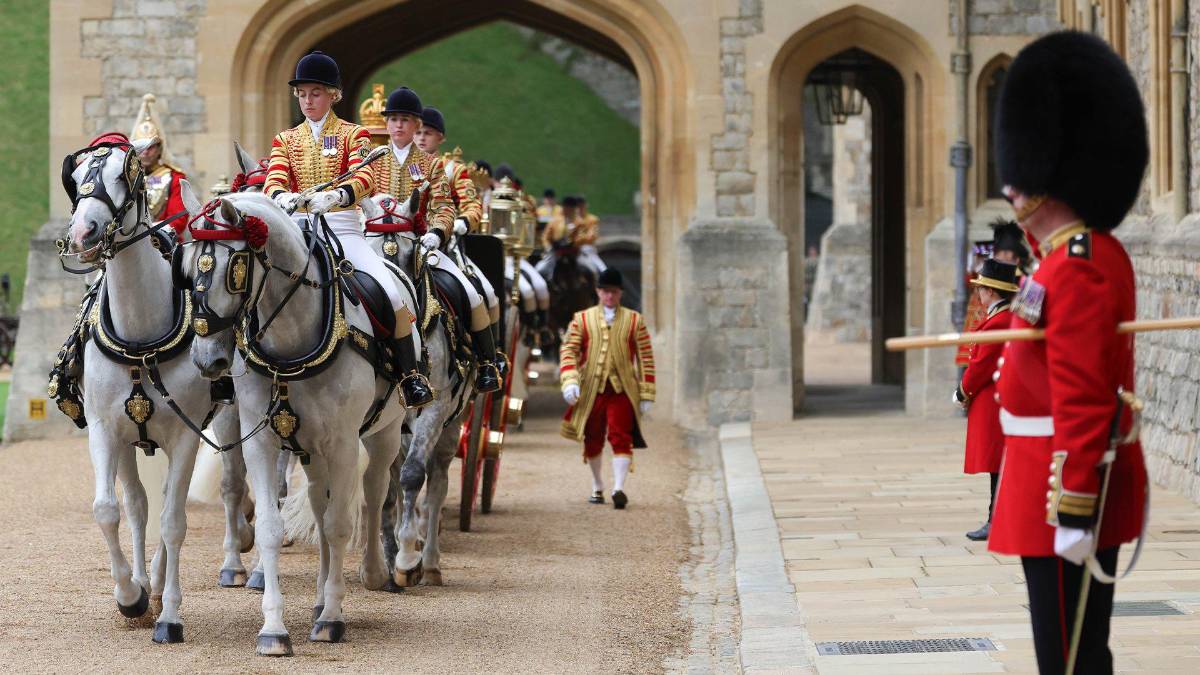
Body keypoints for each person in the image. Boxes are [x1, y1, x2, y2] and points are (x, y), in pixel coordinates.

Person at [990, 32, 1148, 674]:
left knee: (1070, 658)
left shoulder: (1076, 267)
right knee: (1074, 652)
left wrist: (1076, 503)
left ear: (1049, 173)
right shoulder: (1065, 260)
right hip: (1046, 477)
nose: (1010, 188)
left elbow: (1082, 394)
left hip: (1063, 483)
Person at [263, 51, 433, 407]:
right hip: (297, 228)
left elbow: (365, 176)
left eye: (316, 93)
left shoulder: (353, 134)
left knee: (391, 291)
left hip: (343, 228)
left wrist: (339, 195)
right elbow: (274, 178)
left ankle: (409, 374)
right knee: (251, 284)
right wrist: (281, 197)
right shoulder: (285, 139)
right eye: (303, 94)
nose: (308, 100)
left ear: (333, 95)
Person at [372, 88, 500, 393]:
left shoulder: (431, 165)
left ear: (416, 124)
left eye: (405, 120)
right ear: (386, 124)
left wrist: (438, 231)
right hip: (375, 242)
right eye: (393, 120)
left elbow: (443, 204)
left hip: (421, 244)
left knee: (470, 292)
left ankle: (487, 362)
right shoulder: (372, 158)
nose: (399, 126)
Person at [559, 268, 654, 509]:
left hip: (622, 390)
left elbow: (646, 357)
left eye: (613, 292)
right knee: (593, 437)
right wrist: (570, 379)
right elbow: (569, 350)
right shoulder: (582, 318)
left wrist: (646, 392)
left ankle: (619, 488)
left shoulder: (635, 320)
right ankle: (597, 484)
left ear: (620, 293)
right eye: (605, 291)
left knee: (621, 435)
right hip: (592, 388)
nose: (609, 296)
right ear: (598, 292)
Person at [413, 107, 503, 341]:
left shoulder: (454, 170)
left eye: (428, 133)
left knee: (486, 295)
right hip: (404, 241)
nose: (422, 137)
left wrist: (463, 221)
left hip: (444, 246)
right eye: (419, 132)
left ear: (441, 137)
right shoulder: (401, 165)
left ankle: (488, 360)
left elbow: (472, 205)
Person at [954, 258, 1018, 541]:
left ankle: (997, 521)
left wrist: (961, 391)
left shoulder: (998, 322)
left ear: (990, 291)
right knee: (998, 466)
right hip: (996, 399)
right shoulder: (1001, 318)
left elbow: (980, 366)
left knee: (997, 465)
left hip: (994, 401)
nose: (978, 294)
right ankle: (997, 518)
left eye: (981, 289)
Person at [129, 93, 189, 235]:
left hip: (162, 244)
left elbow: (178, 221)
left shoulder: (175, 177)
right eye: (142, 148)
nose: (146, 152)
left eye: (151, 147)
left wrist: (145, 232)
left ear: (159, 149)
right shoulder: (125, 177)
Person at [574, 194, 607, 274]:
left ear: (585, 206)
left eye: (581, 205)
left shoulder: (592, 219)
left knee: (604, 270)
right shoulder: (572, 219)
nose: (579, 208)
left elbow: (591, 237)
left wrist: (577, 238)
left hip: (588, 250)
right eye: (578, 206)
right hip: (572, 251)